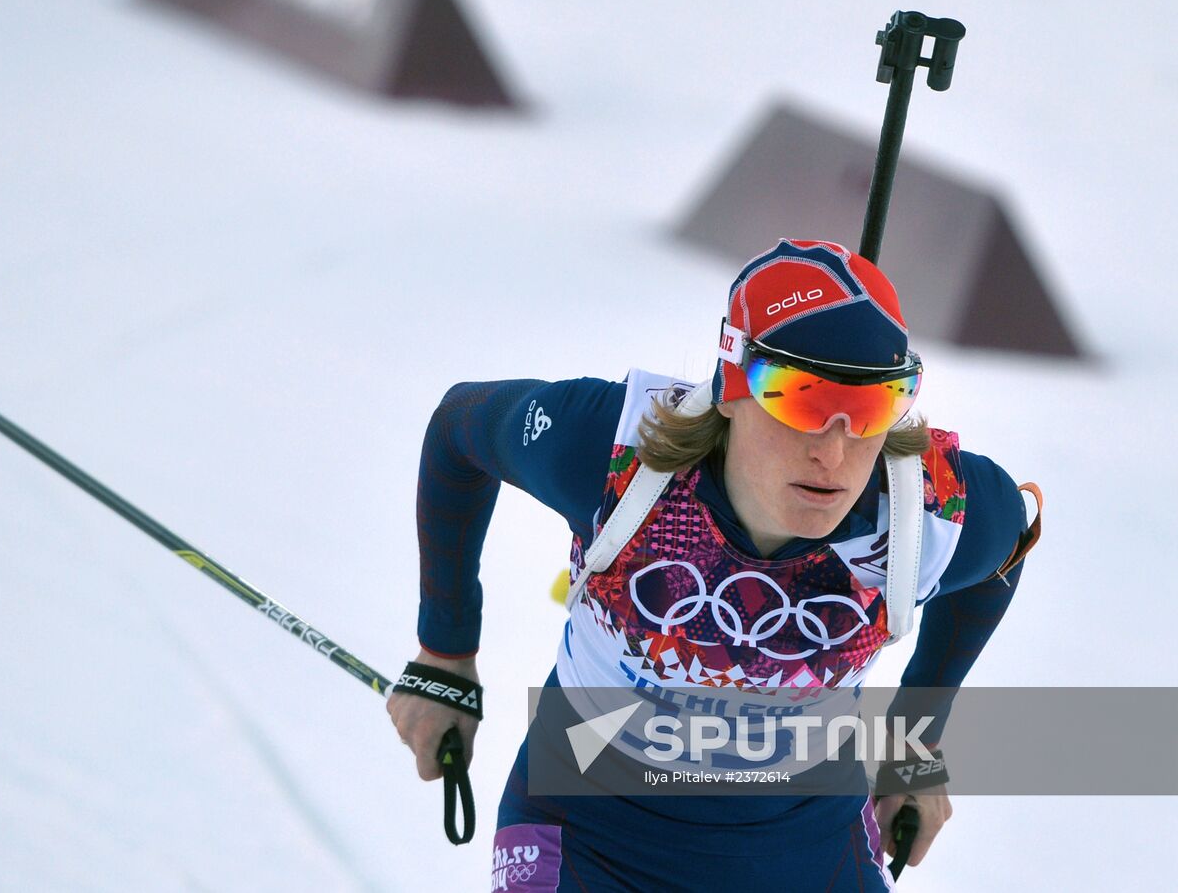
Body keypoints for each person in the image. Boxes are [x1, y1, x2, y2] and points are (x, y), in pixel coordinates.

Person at [387, 239, 1037, 891]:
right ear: (730, 384)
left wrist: (914, 741)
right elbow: (458, 430)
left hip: (806, 851)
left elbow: (1010, 543)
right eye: (799, 398)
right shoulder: (613, 450)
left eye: (870, 406)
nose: (833, 453)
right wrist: (444, 654)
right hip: (591, 839)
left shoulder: (928, 510)